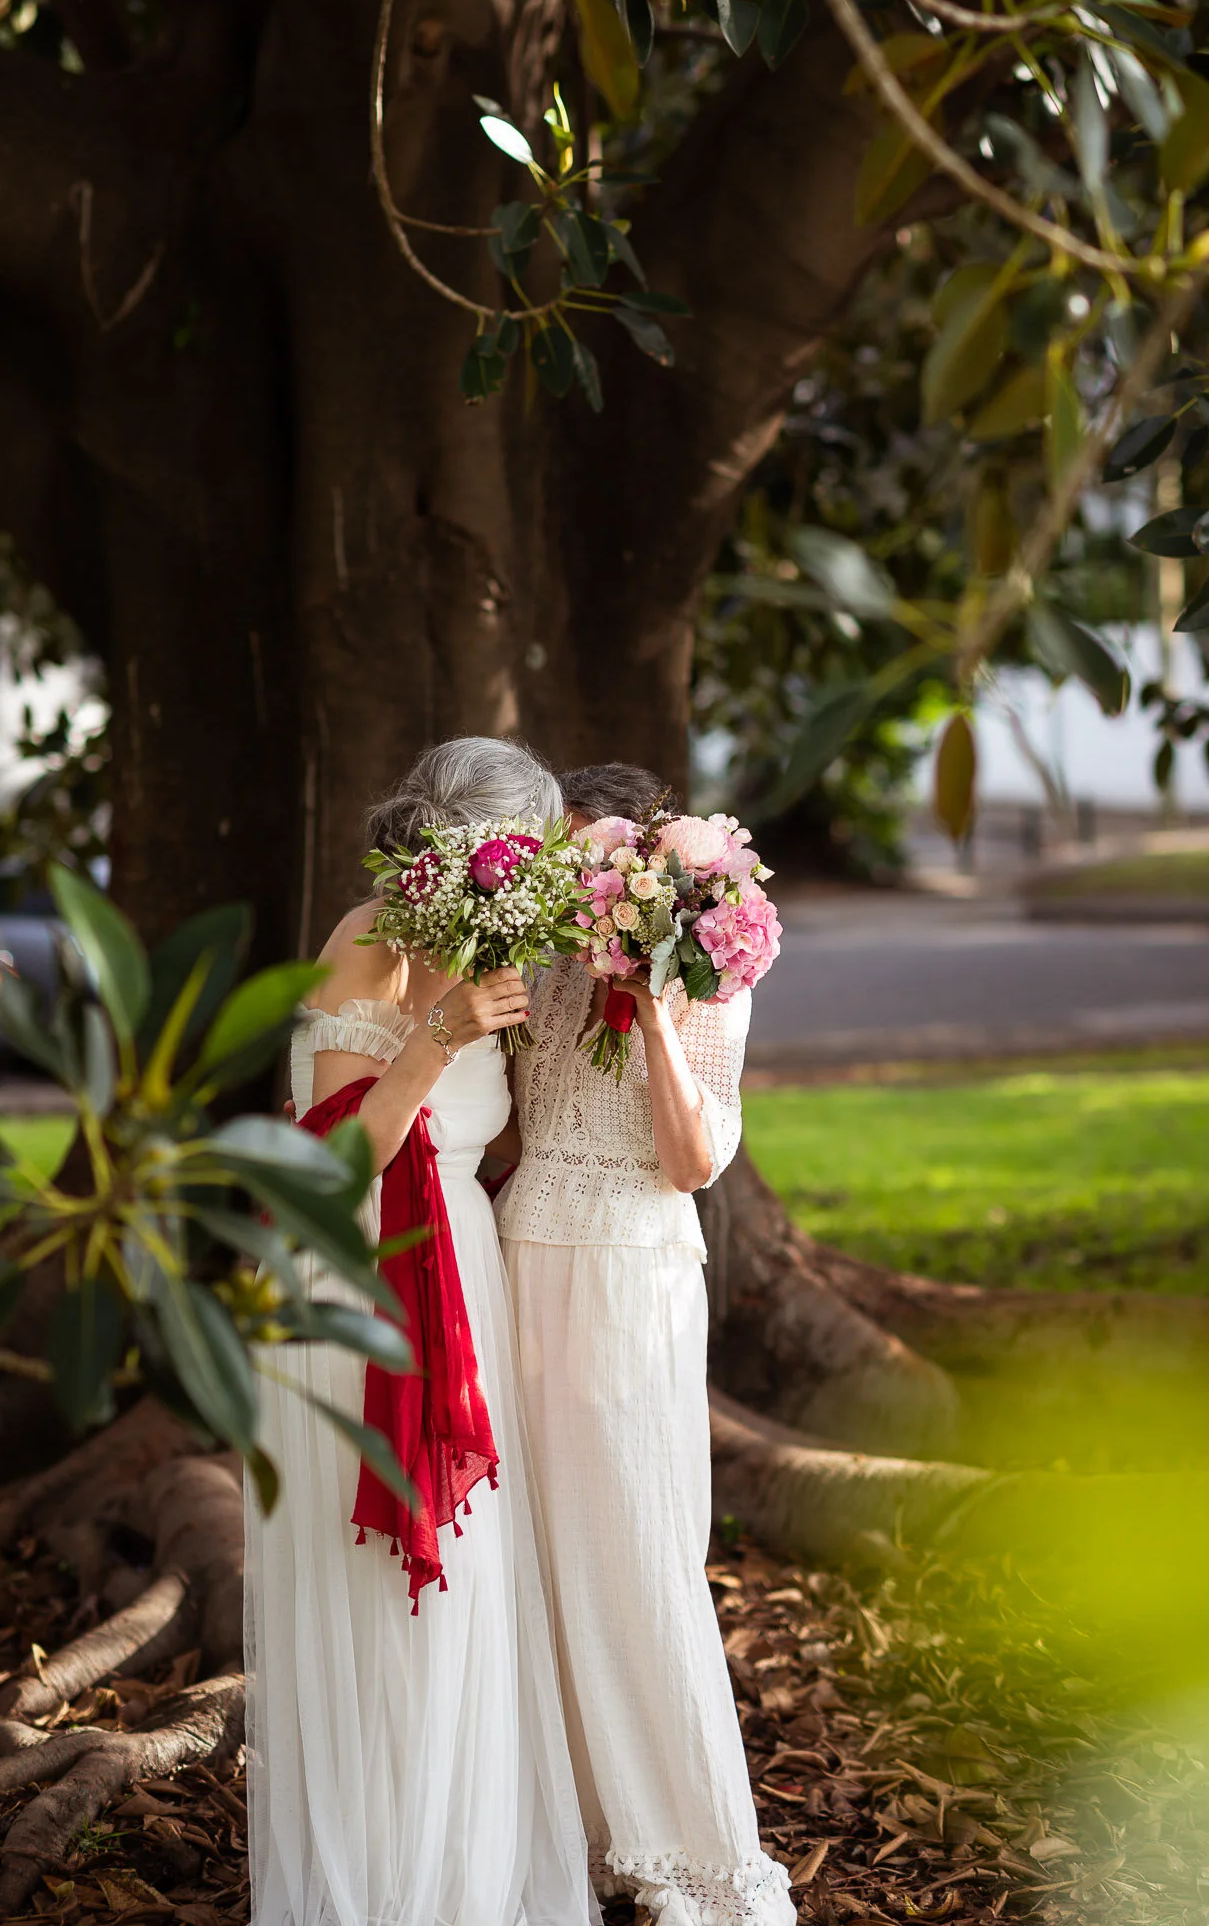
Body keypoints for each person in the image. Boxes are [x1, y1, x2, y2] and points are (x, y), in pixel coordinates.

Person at [244, 737, 597, 1926]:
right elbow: (331, 1160)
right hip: (358, 1280)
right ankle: (374, 1882)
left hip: (459, 1270)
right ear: (476, 848)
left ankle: (457, 1874)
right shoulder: (371, 940)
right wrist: (439, 1033)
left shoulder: (490, 949)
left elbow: (478, 1135)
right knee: (375, 1593)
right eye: (527, 851)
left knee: (463, 1592)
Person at [497, 763, 795, 1926]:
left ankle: (693, 1850)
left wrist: (652, 1001)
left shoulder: (705, 969)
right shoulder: (535, 962)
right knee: (535, 1551)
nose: (572, 882)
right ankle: (564, 1826)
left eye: (588, 859)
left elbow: (690, 1161)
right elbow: (510, 1126)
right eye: (560, 858)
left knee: (631, 1544)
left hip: (629, 1271)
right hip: (520, 1258)